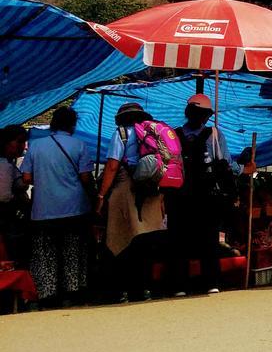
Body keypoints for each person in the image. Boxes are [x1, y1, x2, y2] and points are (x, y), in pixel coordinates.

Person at [169, 93, 242, 296]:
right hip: (208, 195)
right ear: (206, 116)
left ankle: (180, 286)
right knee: (208, 240)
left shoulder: (174, 136)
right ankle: (211, 282)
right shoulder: (214, 135)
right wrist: (244, 168)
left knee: (180, 240)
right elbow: (226, 164)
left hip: (180, 195)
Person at [20, 108, 92, 307]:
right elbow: (86, 178)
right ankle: (72, 292)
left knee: (45, 253)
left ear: (52, 123)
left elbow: (26, 178)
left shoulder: (35, 145)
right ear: (73, 124)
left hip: (43, 210)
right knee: (72, 250)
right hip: (74, 208)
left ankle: (47, 294)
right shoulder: (79, 144)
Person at [96, 102, 167, 302]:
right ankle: (144, 289)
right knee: (146, 241)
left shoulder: (121, 134)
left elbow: (112, 166)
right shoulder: (154, 134)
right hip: (151, 191)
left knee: (122, 239)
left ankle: (122, 290)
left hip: (127, 189)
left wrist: (101, 196)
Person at [0, 124, 30, 267]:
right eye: (19, 141)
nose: (23, 146)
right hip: (6, 222)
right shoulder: (4, 165)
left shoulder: (9, 163)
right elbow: (4, 196)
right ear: (6, 142)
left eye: (24, 142)